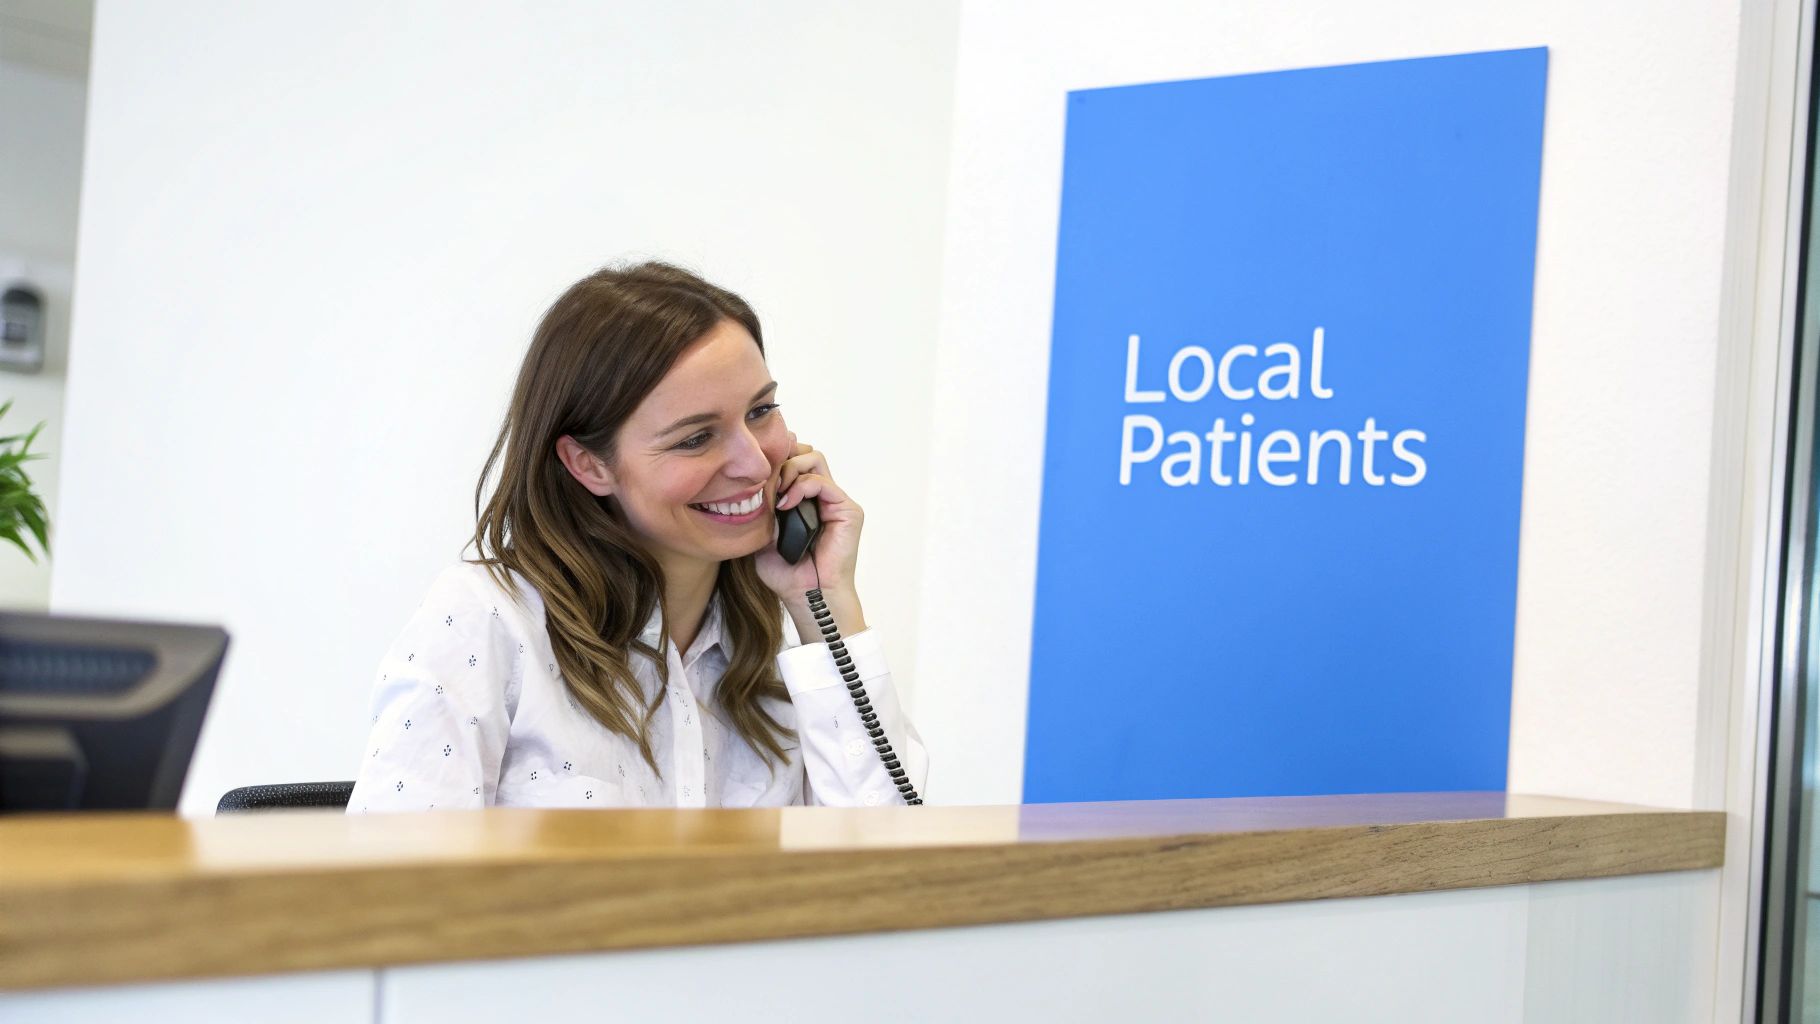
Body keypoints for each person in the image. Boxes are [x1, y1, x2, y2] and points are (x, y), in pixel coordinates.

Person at [347, 261, 928, 811]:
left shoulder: (777, 659)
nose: (754, 463)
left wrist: (823, 604)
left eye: (761, 411)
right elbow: (388, 896)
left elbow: (897, 875)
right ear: (588, 464)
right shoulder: (488, 623)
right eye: (696, 438)